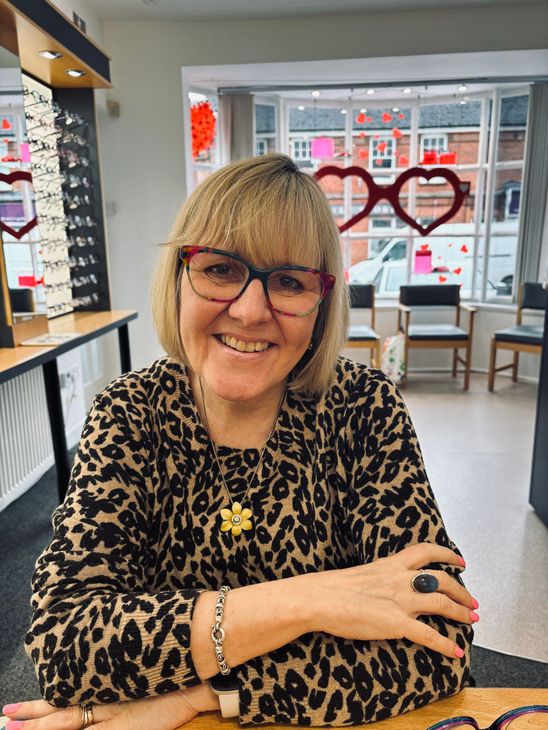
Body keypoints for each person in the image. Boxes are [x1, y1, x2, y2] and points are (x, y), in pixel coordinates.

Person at [2, 154, 476, 730]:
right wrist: (313, 599)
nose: (250, 311)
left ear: (321, 305)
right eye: (222, 269)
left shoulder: (364, 408)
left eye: (289, 282)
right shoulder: (128, 414)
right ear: (179, 277)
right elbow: (66, 648)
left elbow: (439, 645)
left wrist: (200, 695)